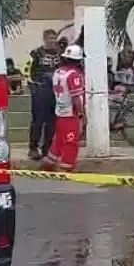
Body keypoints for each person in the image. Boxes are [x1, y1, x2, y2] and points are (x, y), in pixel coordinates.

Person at [43, 45, 86, 172]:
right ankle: (67, 167)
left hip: (60, 111)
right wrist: (82, 114)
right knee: (71, 141)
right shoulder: (74, 75)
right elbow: (76, 97)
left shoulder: (58, 72)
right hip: (70, 113)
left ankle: (49, 162)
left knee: (60, 139)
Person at [28, 28, 61, 160]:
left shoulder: (60, 53)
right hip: (40, 90)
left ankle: (47, 148)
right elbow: (28, 71)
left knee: (52, 121)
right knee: (38, 121)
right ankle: (33, 147)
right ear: (45, 39)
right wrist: (34, 85)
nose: (53, 41)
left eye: (55, 38)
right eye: (51, 38)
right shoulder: (36, 53)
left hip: (55, 91)